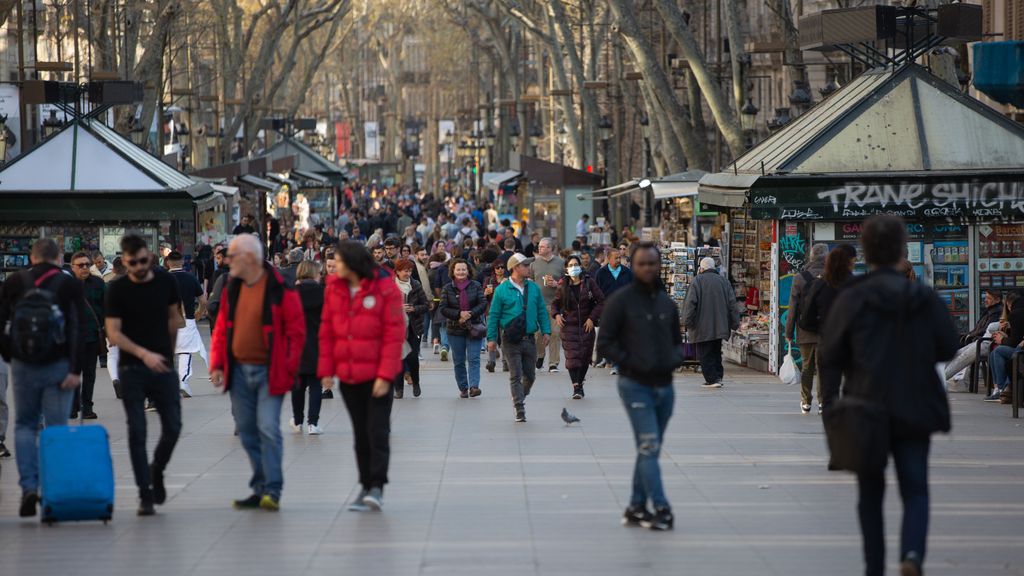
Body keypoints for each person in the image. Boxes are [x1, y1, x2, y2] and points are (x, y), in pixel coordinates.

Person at [819, 215, 958, 576]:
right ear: (901, 249)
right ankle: (911, 554)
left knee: (870, 494)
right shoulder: (921, 295)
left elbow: (830, 355)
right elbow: (948, 345)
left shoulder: (852, 297)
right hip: (915, 405)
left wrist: (830, 406)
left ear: (864, 251)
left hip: (867, 405)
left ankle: (874, 567)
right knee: (915, 489)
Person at [209, 234, 306, 512]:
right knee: (248, 430)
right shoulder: (232, 288)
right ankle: (260, 486)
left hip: (269, 370)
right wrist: (217, 362)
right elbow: (222, 330)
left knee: (267, 427)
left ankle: (272, 490)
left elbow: (297, 333)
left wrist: (288, 367)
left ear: (249, 258)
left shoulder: (280, 289)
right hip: (238, 370)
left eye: (232, 256)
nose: (227, 262)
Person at [596, 241, 684, 532]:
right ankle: (661, 507)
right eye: (641, 263)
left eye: (652, 263)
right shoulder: (620, 302)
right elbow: (605, 342)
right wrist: (630, 363)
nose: (647, 268)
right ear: (632, 266)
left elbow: (676, 342)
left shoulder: (666, 303)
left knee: (650, 449)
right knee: (649, 444)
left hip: (664, 386)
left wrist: (673, 360)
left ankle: (635, 506)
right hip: (635, 385)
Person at [318, 241, 405, 512]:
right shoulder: (334, 288)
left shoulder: (385, 287)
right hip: (350, 374)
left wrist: (385, 374)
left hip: (378, 375)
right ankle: (365, 485)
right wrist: (326, 370)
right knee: (360, 433)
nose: (335, 267)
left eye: (340, 262)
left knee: (377, 430)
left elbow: (394, 334)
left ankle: (377, 486)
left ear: (353, 263)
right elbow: (327, 329)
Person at [0, 238, 83, 518]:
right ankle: (52, 494)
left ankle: (28, 487)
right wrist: (75, 369)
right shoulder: (68, 283)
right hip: (58, 365)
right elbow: (76, 326)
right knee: (56, 428)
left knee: (24, 425)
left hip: (24, 364)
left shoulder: (14, 282)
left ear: (32, 257)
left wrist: (11, 355)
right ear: (59, 258)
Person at [104, 234, 184, 516]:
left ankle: (156, 469)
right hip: (132, 368)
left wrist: (168, 354)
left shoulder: (166, 281)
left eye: (142, 260)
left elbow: (175, 319)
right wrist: (143, 354)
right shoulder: (117, 289)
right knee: (137, 430)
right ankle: (144, 493)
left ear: (149, 257)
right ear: (124, 262)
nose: (138, 266)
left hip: (163, 366)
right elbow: (113, 333)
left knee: (173, 426)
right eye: (131, 262)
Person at [486, 253, 551, 423]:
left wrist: (546, 331)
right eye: (525, 265)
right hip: (510, 339)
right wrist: (491, 338)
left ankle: (520, 395)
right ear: (515, 268)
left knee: (530, 376)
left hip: (529, 338)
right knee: (515, 374)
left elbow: (542, 311)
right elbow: (493, 315)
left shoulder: (534, 288)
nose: (529, 268)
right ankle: (519, 407)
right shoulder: (502, 289)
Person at [796, 244, 858, 414]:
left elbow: (805, 310)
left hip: (820, 335)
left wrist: (808, 326)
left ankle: (816, 402)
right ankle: (831, 403)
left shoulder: (818, 283)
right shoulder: (855, 284)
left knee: (818, 370)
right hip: (845, 339)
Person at [682, 257, 740, 389]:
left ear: (701, 268)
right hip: (720, 325)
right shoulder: (724, 282)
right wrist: (735, 323)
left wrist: (687, 321)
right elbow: (733, 304)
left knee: (705, 353)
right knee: (715, 351)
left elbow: (690, 304)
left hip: (702, 326)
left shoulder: (697, 281)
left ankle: (712, 379)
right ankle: (718, 376)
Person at [552, 255, 605, 400]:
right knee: (572, 359)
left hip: (586, 327)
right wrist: (556, 315)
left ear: (580, 266)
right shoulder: (563, 284)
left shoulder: (589, 283)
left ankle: (580, 382)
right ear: (566, 268)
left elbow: (601, 301)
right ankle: (576, 387)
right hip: (569, 327)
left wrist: (591, 318)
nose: (574, 267)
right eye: (571, 265)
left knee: (584, 357)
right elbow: (555, 304)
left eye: (576, 264)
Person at [786, 243, 829, 413]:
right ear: (826, 257)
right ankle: (823, 402)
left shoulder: (800, 277)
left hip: (804, 331)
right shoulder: (833, 276)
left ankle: (806, 401)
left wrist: (789, 332)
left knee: (807, 367)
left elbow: (793, 308)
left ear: (811, 257)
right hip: (827, 332)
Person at [440, 258, 487, 398]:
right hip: (455, 329)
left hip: (474, 327)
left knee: (474, 358)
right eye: (458, 269)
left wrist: (470, 314)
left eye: (463, 269)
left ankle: (474, 386)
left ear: (468, 271)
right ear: (453, 272)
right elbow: (443, 308)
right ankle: (463, 387)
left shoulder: (476, 285)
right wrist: (458, 314)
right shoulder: (447, 288)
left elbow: (483, 303)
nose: (461, 272)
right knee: (459, 360)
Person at [166, 251, 209, 398]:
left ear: (167, 263)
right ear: (182, 262)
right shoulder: (190, 278)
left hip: (165, 321)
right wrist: (199, 312)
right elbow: (203, 301)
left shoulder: (162, 279)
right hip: (186, 319)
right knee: (185, 351)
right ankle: (183, 381)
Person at [68, 251, 105, 420]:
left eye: (87, 265)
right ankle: (73, 406)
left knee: (89, 374)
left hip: (92, 337)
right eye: (80, 265)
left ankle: (87, 407)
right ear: (72, 267)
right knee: (73, 373)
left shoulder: (98, 283)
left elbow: (107, 308)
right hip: (71, 338)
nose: (84, 268)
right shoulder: (65, 285)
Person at [944, 291, 1008, 386]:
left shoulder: (997, 312)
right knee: (957, 353)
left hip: (986, 343)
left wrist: (971, 336)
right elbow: (978, 328)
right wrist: (968, 335)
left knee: (962, 358)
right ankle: (937, 375)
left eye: (989, 298)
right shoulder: (989, 311)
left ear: (998, 300)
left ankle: (941, 378)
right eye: (985, 298)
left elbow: (986, 330)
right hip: (980, 341)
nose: (986, 300)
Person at [290, 261, 324, 435]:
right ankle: (313, 423)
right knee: (316, 384)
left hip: (296, 344)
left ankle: (297, 421)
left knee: (297, 385)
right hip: (317, 343)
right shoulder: (322, 292)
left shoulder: (292, 293)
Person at [394, 259, 428, 398]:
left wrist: (414, 308)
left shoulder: (415, 285)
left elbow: (425, 305)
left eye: (410, 271)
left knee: (413, 357)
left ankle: (416, 382)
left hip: (413, 328)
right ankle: (398, 389)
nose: (408, 274)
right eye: (405, 271)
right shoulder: (390, 286)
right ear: (397, 272)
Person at [531, 238, 565, 373]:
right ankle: (540, 355)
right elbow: (531, 281)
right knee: (538, 334)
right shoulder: (534, 264)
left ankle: (553, 363)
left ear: (550, 248)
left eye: (543, 247)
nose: (540, 249)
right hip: (538, 305)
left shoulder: (561, 263)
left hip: (555, 304)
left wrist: (557, 285)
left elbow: (566, 282)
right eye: (539, 247)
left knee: (555, 334)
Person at [987, 290, 1024, 402]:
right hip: (1019, 348)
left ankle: (1003, 389)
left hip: (1020, 350)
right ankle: (1000, 388)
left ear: (1008, 303)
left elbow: (1015, 342)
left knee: (998, 351)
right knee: (996, 351)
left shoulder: (1015, 314)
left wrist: (1002, 339)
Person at [483, 256, 508, 373]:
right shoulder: (489, 281)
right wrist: (485, 293)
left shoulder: (508, 280)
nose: (500, 269)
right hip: (491, 312)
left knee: (504, 338)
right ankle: (491, 362)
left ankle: (505, 362)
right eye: (498, 267)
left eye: (502, 267)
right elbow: (482, 297)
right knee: (491, 337)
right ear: (494, 269)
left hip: (505, 313)